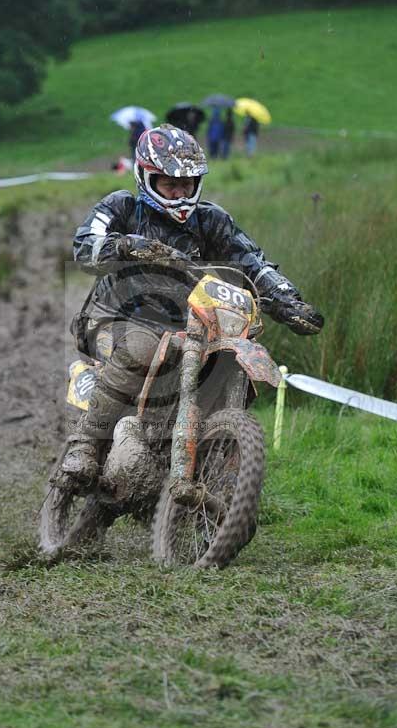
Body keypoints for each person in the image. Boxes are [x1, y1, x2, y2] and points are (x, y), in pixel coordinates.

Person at [58, 124, 323, 491]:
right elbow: (85, 246)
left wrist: (289, 300)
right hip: (113, 318)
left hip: (190, 324)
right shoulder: (121, 207)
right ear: (146, 177)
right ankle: (84, 445)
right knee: (141, 349)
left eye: (188, 184)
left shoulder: (211, 220)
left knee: (226, 360)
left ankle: (212, 463)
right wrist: (124, 247)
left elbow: (253, 263)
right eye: (170, 184)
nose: (181, 192)